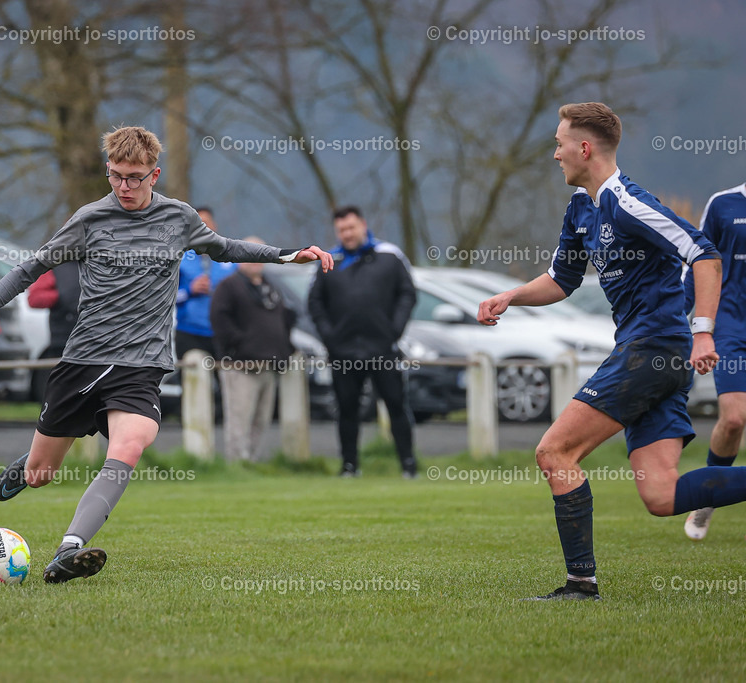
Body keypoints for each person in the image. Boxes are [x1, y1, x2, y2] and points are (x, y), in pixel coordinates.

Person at [0, 126, 333, 584]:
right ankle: (28, 466)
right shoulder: (89, 220)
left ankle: (69, 550)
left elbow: (225, 249)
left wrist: (287, 256)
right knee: (43, 473)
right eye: (116, 176)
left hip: (141, 366)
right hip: (84, 361)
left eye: (134, 178)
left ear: (154, 175)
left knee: (129, 444)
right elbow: (28, 270)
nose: (124, 186)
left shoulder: (178, 218)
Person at [475, 102, 746, 601]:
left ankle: (581, 584)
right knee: (661, 495)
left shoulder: (629, 202)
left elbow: (704, 254)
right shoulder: (581, 207)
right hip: (649, 353)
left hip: (653, 348)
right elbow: (562, 279)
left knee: (554, 452)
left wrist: (704, 332)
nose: (555, 154)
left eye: (559, 144)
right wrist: (512, 295)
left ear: (584, 148)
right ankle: (582, 584)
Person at [307, 206, 418, 478]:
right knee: (346, 409)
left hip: (383, 349)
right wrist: (330, 337)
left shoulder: (389, 256)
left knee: (396, 405)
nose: (347, 234)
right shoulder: (329, 260)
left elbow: (407, 294)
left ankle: (408, 465)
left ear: (363, 225)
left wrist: (394, 330)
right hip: (343, 352)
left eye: (351, 228)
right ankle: (349, 466)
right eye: (341, 230)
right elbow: (315, 302)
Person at [681, 181, 746, 540]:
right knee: (734, 420)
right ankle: (707, 498)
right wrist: (678, 314)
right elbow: (701, 263)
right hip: (732, 327)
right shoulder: (723, 204)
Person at [210, 237, 296, 462]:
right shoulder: (228, 287)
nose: (255, 260)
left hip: (268, 365)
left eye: (260, 254)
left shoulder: (271, 286)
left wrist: (285, 348)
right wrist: (241, 345)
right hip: (241, 367)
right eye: (250, 254)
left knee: (262, 420)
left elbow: (285, 319)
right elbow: (219, 320)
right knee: (239, 420)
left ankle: (253, 464)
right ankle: (237, 465)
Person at [174, 207, 237, 359]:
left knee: (226, 374)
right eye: (197, 224)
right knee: (194, 372)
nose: (202, 228)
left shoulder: (230, 260)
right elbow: (167, 298)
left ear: (214, 226)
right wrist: (190, 290)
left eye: (206, 223)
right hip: (190, 333)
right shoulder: (180, 259)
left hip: (223, 333)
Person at [27, 261, 81, 400]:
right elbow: (34, 298)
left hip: (96, 341)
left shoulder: (102, 262)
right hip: (62, 343)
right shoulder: (57, 266)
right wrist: (62, 296)